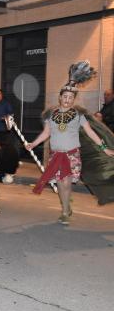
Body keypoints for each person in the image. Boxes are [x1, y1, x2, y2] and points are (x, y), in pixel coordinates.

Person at [26, 62, 114, 223]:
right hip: (56, 155)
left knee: (66, 183)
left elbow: (91, 133)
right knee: (61, 183)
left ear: (74, 99)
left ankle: (66, 210)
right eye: (64, 97)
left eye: (70, 97)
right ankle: (66, 208)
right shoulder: (50, 115)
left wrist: (105, 149)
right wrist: (33, 143)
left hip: (72, 155)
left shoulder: (78, 115)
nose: (67, 100)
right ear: (60, 97)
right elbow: (46, 133)